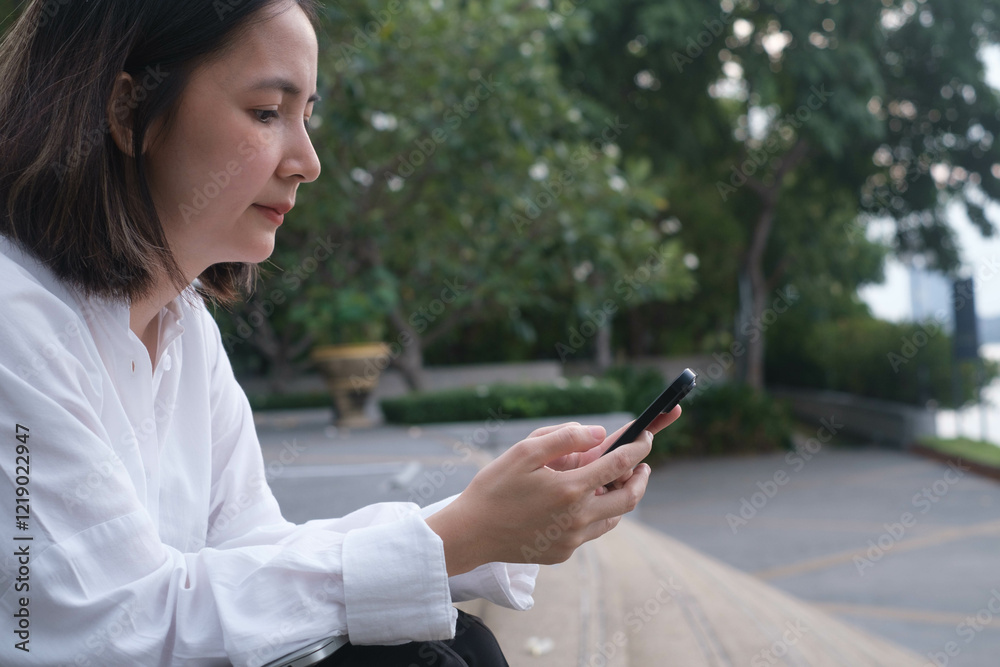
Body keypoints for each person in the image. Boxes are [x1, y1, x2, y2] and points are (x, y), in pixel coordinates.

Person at [0, 1, 680, 665]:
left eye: (306, 115)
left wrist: (489, 523)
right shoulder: (15, 323)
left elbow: (252, 556)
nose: (307, 159)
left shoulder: (186, 331)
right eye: (268, 112)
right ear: (127, 110)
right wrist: (455, 537)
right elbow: (113, 630)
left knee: (451, 646)